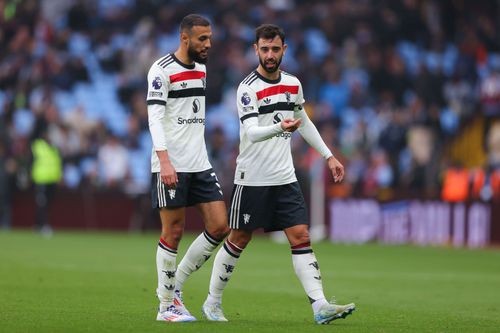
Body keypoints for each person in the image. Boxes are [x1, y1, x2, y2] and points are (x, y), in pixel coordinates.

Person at [201, 24, 356, 324]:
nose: (270, 55)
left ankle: (320, 305)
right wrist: (279, 127)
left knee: (301, 236)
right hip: (253, 178)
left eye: (275, 49)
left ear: (284, 49)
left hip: (285, 177)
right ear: (255, 49)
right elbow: (251, 132)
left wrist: (329, 156)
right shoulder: (247, 87)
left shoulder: (293, 84)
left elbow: (304, 122)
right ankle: (212, 301)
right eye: (264, 49)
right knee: (238, 239)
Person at [146, 14, 229, 322]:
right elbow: (155, 118)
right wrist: (164, 160)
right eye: (202, 39)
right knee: (174, 230)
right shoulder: (161, 70)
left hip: (199, 162)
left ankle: (175, 285)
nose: (208, 44)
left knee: (220, 226)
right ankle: (166, 305)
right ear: (185, 39)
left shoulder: (202, 69)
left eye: (209, 38)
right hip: (170, 163)